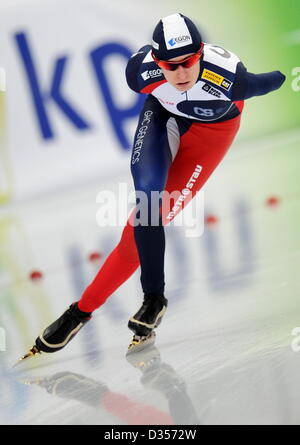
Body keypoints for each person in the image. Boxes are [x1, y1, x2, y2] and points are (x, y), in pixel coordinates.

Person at [18, 13, 285, 362]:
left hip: (211, 136)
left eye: (188, 63)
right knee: (146, 200)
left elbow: (276, 79)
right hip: (163, 118)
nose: (181, 74)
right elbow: (157, 82)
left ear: (200, 52)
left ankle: (83, 311)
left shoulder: (232, 80)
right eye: (170, 67)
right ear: (157, 63)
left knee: (133, 240)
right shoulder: (140, 74)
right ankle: (149, 299)